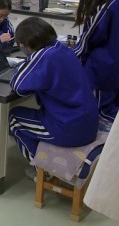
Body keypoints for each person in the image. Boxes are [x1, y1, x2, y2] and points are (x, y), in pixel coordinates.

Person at [8, 17, 98, 162]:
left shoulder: (44, 55)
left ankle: (39, 164)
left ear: (26, 45)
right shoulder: (63, 49)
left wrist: (27, 63)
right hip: (89, 124)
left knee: (14, 116)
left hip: (69, 129)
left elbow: (18, 86)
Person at [73, 0, 119, 124]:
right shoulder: (116, 3)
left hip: (101, 72)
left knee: (101, 115)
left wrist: (68, 60)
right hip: (113, 71)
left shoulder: (105, 9)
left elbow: (86, 41)